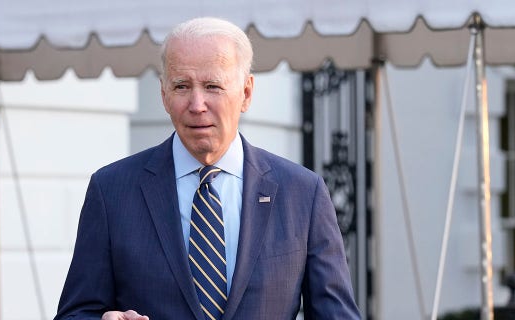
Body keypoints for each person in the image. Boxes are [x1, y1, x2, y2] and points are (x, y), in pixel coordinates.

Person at [54, 17, 360, 320]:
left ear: (246, 93)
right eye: (182, 86)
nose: (197, 104)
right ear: (164, 95)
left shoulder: (302, 194)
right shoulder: (112, 192)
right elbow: (76, 313)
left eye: (212, 86)